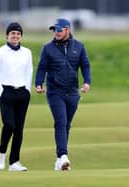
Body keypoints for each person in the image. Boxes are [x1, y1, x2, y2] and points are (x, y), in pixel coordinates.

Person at [35, 18, 91, 171]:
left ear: (67, 29)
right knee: (60, 121)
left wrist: (87, 82)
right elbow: (42, 67)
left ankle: (59, 160)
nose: (56, 33)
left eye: (59, 30)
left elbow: (85, 65)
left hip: (72, 92)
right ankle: (64, 155)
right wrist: (38, 83)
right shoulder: (48, 48)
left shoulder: (79, 46)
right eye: (54, 30)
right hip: (55, 92)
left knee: (66, 125)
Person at [0, 22, 33, 171]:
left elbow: (29, 72)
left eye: (18, 34)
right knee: (9, 125)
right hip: (6, 91)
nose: (15, 36)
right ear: (7, 35)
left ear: (21, 36)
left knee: (19, 129)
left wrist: (27, 90)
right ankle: (1, 153)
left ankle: (14, 162)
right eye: (13, 33)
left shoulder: (27, 52)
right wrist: (1, 92)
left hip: (22, 92)